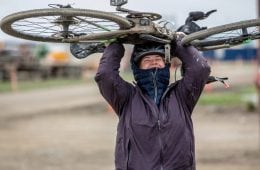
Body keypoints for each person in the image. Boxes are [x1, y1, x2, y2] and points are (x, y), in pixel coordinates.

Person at [94, 35, 211, 170]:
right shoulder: (126, 98)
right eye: (147, 59)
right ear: (137, 67)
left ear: (166, 64)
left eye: (158, 59)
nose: (153, 62)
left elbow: (200, 69)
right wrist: (116, 43)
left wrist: (176, 44)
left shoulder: (182, 96)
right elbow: (105, 75)